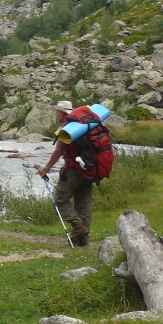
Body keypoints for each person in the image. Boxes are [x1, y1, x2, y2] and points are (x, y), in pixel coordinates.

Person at [38, 100, 92, 246]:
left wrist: (46, 168)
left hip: (72, 171)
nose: (56, 114)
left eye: (57, 111)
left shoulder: (67, 129)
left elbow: (59, 151)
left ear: (62, 113)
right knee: (84, 204)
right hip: (89, 170)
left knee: (60, 201)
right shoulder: (84, 126)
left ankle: (79, 228)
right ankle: (82, 239)